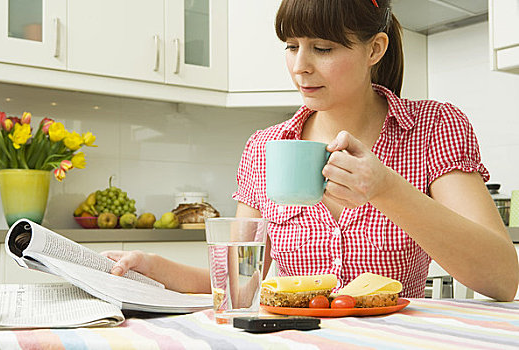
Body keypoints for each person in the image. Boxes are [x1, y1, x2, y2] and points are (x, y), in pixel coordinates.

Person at [103, 0, 518, 301]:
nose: (300, 65)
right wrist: (153, 268)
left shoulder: (432, 128)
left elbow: (502, 279)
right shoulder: (265, 147)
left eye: (322, 48)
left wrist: (387, 188)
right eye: (290, 45)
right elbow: (239, 283)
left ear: (374, 49)